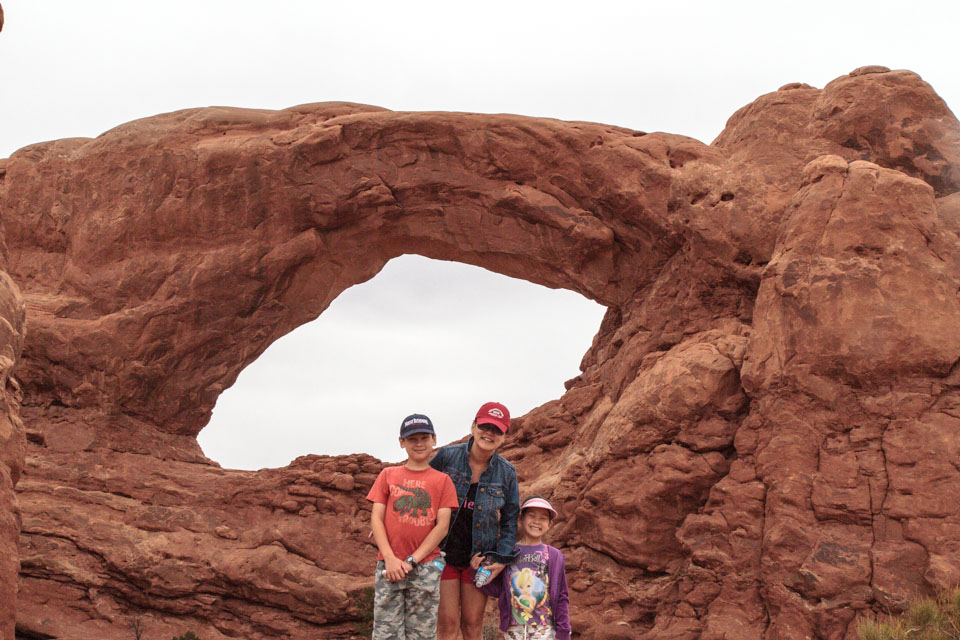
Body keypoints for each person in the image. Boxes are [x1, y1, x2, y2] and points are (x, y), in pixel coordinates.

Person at [430, 401, 521, 640]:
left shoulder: (507, 473)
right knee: (447, 626)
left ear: (504, 436)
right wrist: (393, 518)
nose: (489, 433)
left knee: (472, 626)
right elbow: (420, 489)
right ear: (473, 426)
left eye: (497, 430)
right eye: (485, 426)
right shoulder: (447, 457)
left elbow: (510, 521)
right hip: (442, 555)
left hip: (479, 561)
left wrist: (500, 559)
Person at [366, 413, 459, 640]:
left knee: (422, 634)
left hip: (424, 567)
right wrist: (390, 558)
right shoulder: (388, 475)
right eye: (412, 439)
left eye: (424, 438)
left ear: (434, 439)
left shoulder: (443, 481)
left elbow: (442, 527)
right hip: (389, 566)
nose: (419, 444)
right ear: (402, 442)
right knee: (386, 634)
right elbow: (376, 519)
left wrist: (412, 561)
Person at [481, 496, 571, 640]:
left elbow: (561, 595)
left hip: (544, 628)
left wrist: (564, 630)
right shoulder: (507, 552)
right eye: (531, 516)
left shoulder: (554, 555)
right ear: (521, 518)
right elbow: (497, 588)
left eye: (543, 518)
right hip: (513, 628)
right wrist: (476, 571)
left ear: (550, 524)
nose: (536, 521)